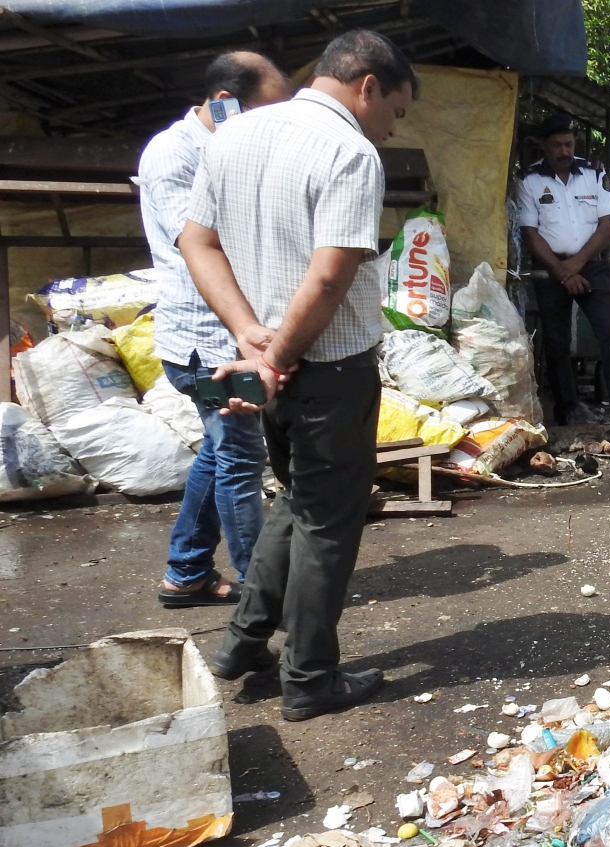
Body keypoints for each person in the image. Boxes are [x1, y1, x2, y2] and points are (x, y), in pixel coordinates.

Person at [178, 29, 416, 720]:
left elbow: (197, 240)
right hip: (327, 366)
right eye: (396, 110)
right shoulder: (348, 149)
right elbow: (331, 271)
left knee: (296, 502)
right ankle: (309, 679)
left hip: (266, 358)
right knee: (329, 523)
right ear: (368, 85)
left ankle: (243, 642)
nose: (391, 125)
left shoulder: (234, 136)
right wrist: (276, 355)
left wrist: (250, 334)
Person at [141, 51, 290, 609]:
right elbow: (202, 244)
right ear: (225, 105)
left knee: (220, 453)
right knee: (241, 459)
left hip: (235, 333)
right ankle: (262, 590)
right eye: (266, 113)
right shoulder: (173, 154)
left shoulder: (236, 150)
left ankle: (185, 572)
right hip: (205, 339)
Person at [518, 114, 610, 427]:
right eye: (557, 145)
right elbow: (531, 234)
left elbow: (607, 224)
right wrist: (563, 271)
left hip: (590, 265)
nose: (563, 150)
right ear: (544, 147)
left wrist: (575, 265)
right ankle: (566, 408)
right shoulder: (529, 181)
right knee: (556, 342)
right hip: (550, 269)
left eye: (568, 144)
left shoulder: (595, 174)